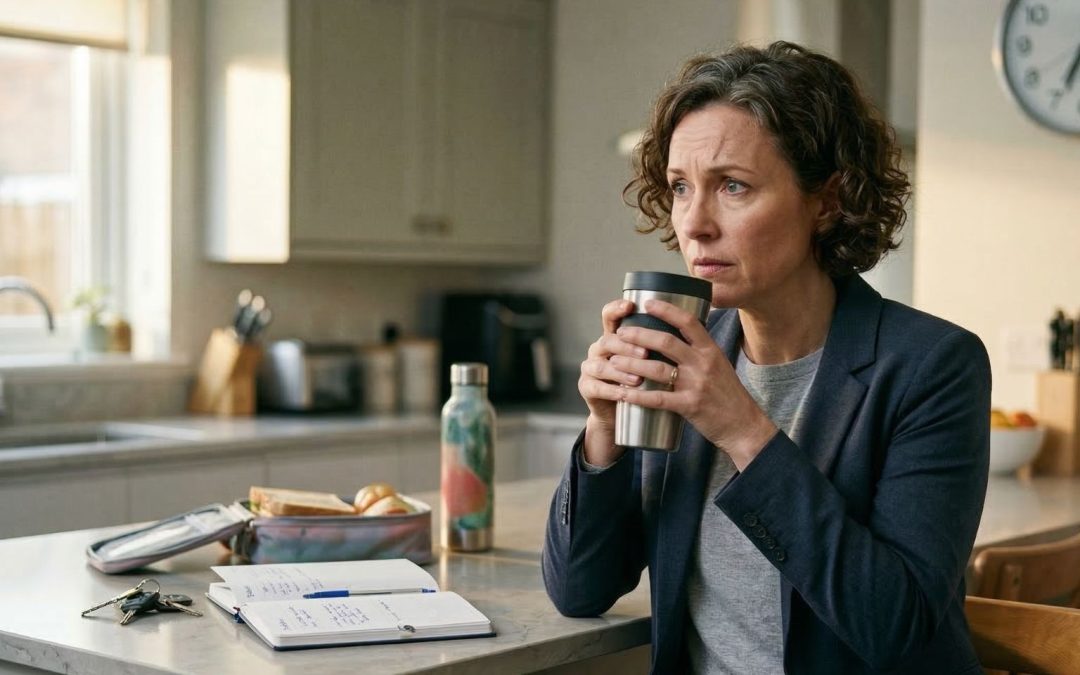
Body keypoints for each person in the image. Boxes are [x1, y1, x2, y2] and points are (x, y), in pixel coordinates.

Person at [542, 41, 990, 674]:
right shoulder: (687, 354)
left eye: (732, 186)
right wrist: (603, 433)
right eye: (679, 187)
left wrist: (742, 428)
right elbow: (580, 590)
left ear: (827, 201)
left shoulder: (932, 366)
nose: (693, 224)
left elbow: (894, 625)